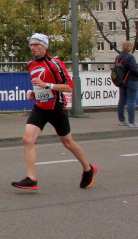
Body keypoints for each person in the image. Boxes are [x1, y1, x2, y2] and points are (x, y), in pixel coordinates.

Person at [12, 33, 98, 191]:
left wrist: (47, 85)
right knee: (27, 139)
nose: (32, 48)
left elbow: (68, 87)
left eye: (36, 45)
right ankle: (31, 179)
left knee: (68, 143)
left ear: (44, 46)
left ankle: (88, 168)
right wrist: (35, 94)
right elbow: (40, 87)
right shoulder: (31, 64)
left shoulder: (55, 64)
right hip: (40, 108)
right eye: (31, 45)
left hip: (56, 108)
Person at [114, 41, 138, 128]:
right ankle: (132, 122)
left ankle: (122, 120)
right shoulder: (130, 57)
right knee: (131, 101)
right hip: (131, 81)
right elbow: (134, 69)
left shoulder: (118, 57)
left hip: (121, 81)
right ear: (129, 47)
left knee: (122, 100)